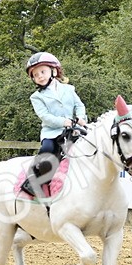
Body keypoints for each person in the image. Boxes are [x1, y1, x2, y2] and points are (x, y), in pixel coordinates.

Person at [22, 51, 86, 197]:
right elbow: (45, 116)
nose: (40, 76)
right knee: (47, 149)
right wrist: (64, 122)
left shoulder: (69, 89)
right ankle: (33, 180)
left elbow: (79, 105)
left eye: (42, 72)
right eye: (35, 75)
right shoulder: (36, 97)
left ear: (54, 70)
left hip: (73, 130)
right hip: (51, 133)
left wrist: (81, 117)